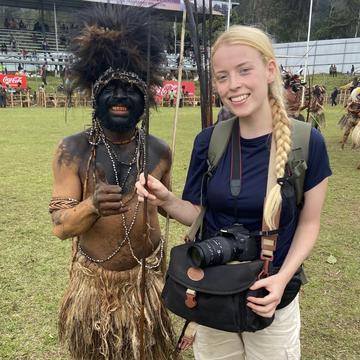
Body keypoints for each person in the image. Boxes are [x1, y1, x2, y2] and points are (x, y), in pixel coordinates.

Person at [136, 25, 331, 360]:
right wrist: (166, 200)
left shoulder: (306, 142)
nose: (233, 85)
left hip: (270, 299)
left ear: (270, 70)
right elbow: (198, 214)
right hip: (213, 292)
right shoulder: (209, 141)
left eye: (244, 70)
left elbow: (309, 224)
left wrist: (282, 279)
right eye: (222, 76)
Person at [49, 5, 176, 360]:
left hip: (146, 283)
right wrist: (90, 207)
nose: (120, 97)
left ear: (145, 101)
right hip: (95, 288)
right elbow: (60, 228)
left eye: (131, 89)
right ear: (96, 97)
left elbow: (168, 209)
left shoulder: (160, 151)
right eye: (111, 89)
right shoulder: (72, 150)